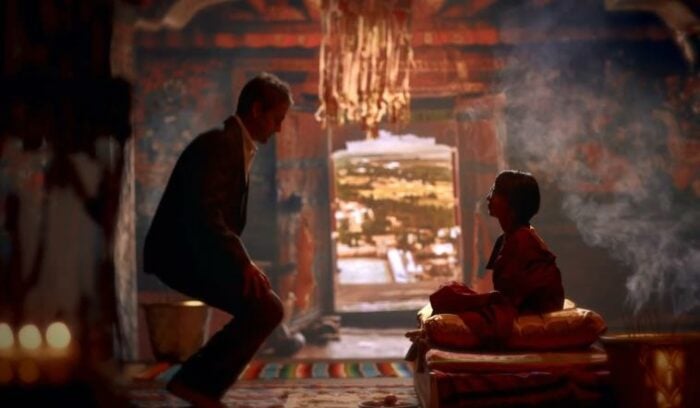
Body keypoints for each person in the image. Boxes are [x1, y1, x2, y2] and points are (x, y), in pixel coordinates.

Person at [143, 72, 294, 407]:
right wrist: (243, 263)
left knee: (265, 308)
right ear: (257, 110)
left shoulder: (233, 145)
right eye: (277, 119)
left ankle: (197, 385)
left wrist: (242, 262)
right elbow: (205, 214)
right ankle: (195, 385)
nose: (279, 129)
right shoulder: (219, 145)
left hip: (197, 251)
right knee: (266, 308)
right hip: (180, 254)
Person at [429, 170, 564, 346]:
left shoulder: (522, 239)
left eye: (494, 192)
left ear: (510, 203)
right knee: (450, 292)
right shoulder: (509, 237)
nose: (488, 197)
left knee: (448, 297)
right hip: (514, 302)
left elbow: (513, 297)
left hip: (531, 306)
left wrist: (476, 301)